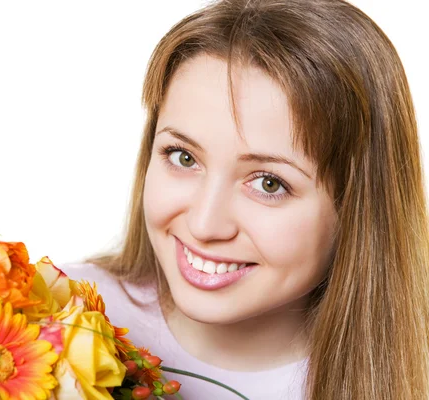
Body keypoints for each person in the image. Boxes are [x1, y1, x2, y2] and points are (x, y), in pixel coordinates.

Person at [64, 0, 429, 398]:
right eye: (183, 157)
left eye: (269, 184)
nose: (204, 225)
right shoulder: (53, 316)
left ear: (358, 207)